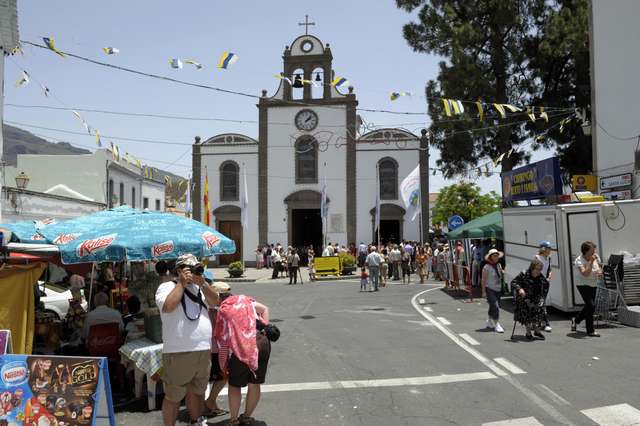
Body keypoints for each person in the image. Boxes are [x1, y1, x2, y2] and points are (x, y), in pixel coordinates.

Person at [155, 254, 220, 426]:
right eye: (189, 269)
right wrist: (182, 284)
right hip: (178, 351)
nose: (193, 273)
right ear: (179, 270)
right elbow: (168, 306)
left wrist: (203, 282)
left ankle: (196, 421)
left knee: (197, 392)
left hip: (203, 350)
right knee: (173, 396)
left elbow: (215, 301)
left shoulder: (199, 288)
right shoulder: (166, 286)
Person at [214, 294, 271, 426]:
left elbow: (223, 341)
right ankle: (246, 417)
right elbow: (265, 309)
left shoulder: (223, 310)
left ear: (219, 299)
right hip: (261, 342)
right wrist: (265, 328)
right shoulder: (246, 301)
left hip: (241, 347)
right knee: (254, 384)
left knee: (234, 385)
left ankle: (233, 420)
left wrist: (223, 365)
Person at [204, 280, 232, 419]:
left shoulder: (209, 308)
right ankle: (210, 402)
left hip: (213, 348)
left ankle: (211, 403)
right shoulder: (216, 310)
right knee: (222, 377)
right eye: (226, 295)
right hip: (216, 349)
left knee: (218, 377)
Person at [511, 259, 550, 340]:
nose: (538, 271)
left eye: (540, 270)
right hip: (525, 298)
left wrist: (543, 298)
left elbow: (545, 286)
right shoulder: (524, 274)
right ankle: (528, 332)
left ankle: (537, 331)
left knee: (539, 313)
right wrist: (520, 289)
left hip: (536, 298)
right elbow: (514, 282)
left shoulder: (541, 277)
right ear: (532, 268)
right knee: (527, 312)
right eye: (537, 269)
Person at [572, 241, 603, 337]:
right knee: (591, 305)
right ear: (586, 251)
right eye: (592, 251)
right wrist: (591, 261)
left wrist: (600, 272)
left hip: (593, 283)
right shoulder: (579, 260)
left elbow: (600, 268)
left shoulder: (595, 257)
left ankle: (576, 320)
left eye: (594, 250)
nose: (594, 253)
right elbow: (585, 274)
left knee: (589, 306)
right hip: (582, 283)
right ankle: (590, 330)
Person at [482, 249, 505, 333]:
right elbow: (483, 280)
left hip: (498, 288)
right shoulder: (486, 267)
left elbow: (500, 275)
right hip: (490, 289)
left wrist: (503, 272)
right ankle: (497, 324)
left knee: (493, 306)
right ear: (490, 257)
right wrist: (483, 291)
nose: (496, 257)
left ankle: (489, 320)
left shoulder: (499, 265)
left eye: (497, 255)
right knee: (495, 306)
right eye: (494, 255)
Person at [534, 241, 554, 331]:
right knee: (541, 302)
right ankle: (546, 323)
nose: (550, 250)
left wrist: (549, 276)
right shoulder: (537, 257)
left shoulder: (549, 258)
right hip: (537, 283)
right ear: (543, 249)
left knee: (541, 302)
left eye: (550, 248)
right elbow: (533, 270)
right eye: (548, 248)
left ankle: (539, 322)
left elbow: (550, 269)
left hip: (546, 283)